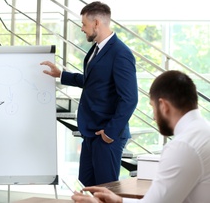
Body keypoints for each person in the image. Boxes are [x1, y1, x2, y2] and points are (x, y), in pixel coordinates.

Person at [71, 70, 210, 203]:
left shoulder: (183, 146)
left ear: (163, 105)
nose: (154, 117)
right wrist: (120, 200)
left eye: (153, 107)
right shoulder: (203, 132)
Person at [41, 1, 138, 186]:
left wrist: (110, 132)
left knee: (105, 190)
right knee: (88, 185)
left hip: (106, 135)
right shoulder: (96, 49)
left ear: (96, 23)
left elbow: (130, 98)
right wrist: (61, 74)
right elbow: (93, 81)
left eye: (84, 24)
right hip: (91, 132)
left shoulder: (120, 53)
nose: (82, 29)